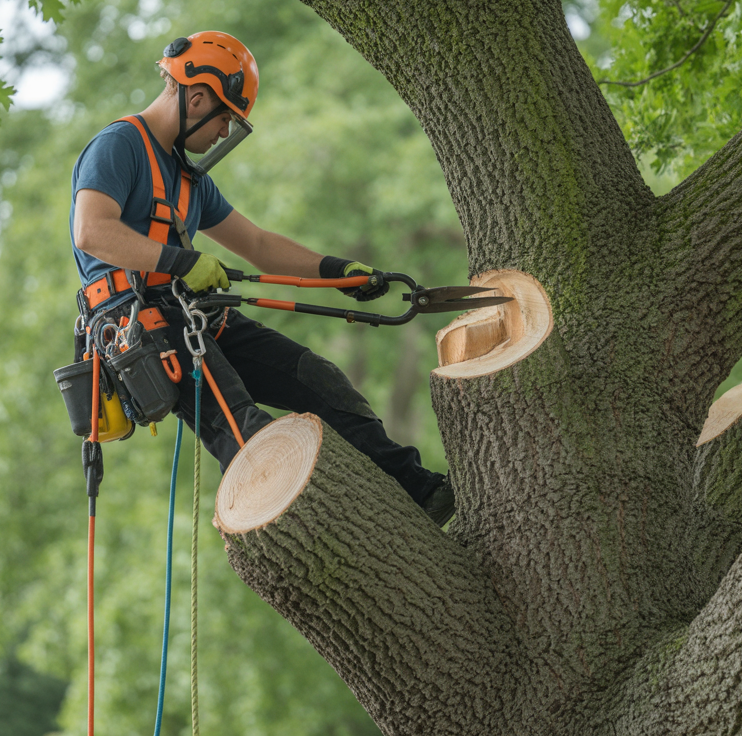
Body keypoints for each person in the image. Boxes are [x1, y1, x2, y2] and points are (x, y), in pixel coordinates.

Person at [69, 31, 454, 526]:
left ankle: (421, 493)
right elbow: (92, 230)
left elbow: (258, 245)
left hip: (191, 311)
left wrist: (337, 273)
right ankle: (327, 530)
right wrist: (183, 263)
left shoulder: (190, 180)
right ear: (198, 95)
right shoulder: (120, 145)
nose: (225, 132)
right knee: (247, 430)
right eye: (226, 116)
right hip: (140, 326)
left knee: (319, 380)